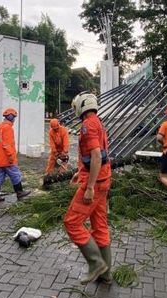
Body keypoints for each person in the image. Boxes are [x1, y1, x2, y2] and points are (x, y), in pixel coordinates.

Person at [63, 92, 113, 285]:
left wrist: (89, 186)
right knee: (100, 226)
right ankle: (106, 274)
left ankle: (95, 263)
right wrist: (80, 171)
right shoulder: (98, 122)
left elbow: (96, 157)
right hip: (103, 179)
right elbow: (94, 156)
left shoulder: (87, 126)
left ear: (80, 106)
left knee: (72, 223)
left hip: (95, 184)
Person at [0, 107, 31, 204]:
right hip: (7, 160)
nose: (14, 119)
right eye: (14, 117)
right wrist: (11, 157)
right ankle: (19, 192)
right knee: (15, 175)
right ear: (11, 117)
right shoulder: (7, 128)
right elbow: (7, 145)